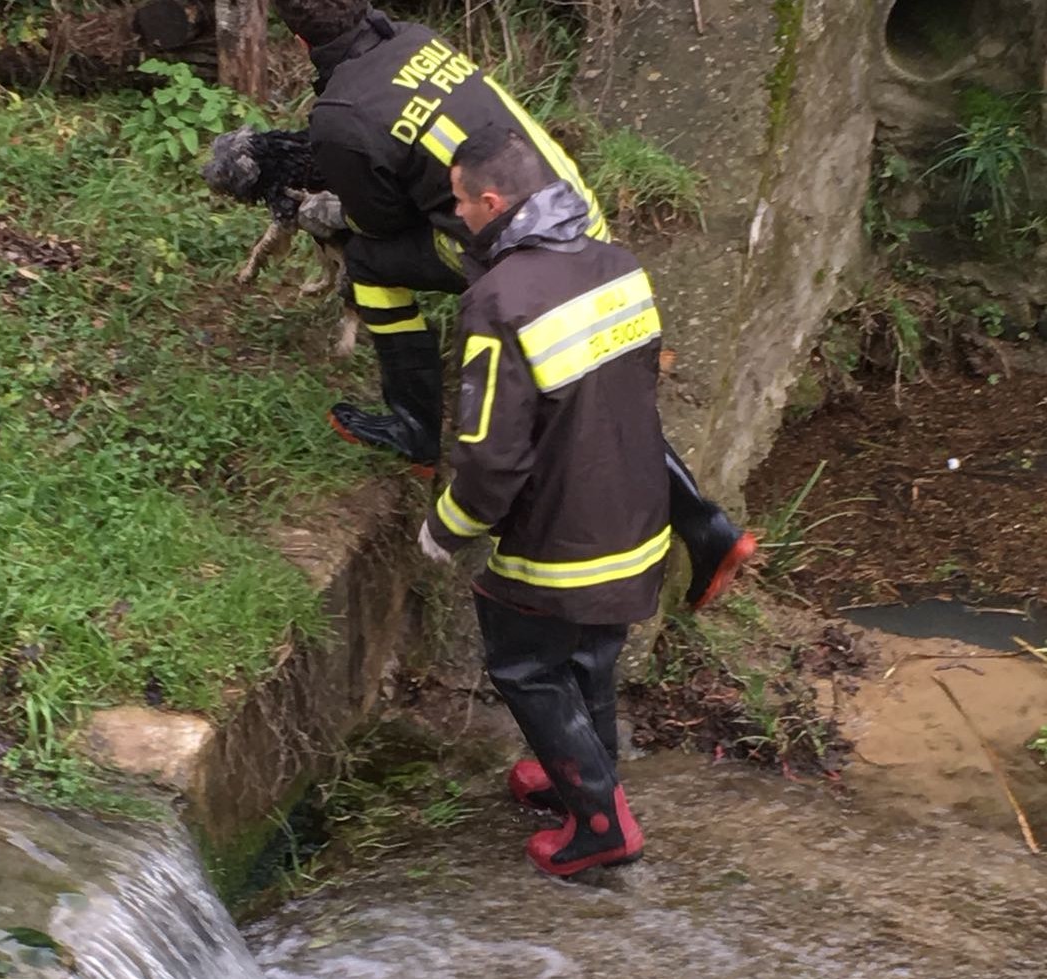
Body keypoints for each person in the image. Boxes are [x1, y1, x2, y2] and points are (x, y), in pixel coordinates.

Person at [272, 0, 755, 609]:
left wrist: (326, 206)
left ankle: (414, 427)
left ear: (296, 40)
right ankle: (707, 527)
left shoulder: (340, 114)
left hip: (518, 247)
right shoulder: (416, 39)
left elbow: (380, 223)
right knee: (597, 391)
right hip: (574, 213)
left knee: (370, 262)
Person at [418, 125, 667, 876]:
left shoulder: (499, 300)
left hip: (562, 538)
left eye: (461, 201)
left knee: (526, 662)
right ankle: (583, 779)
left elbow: (491, 455)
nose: (456, 214)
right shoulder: (620, 266)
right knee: (590, 652)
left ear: (493, 203)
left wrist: (447, 528)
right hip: (637, 519)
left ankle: (599, 823)